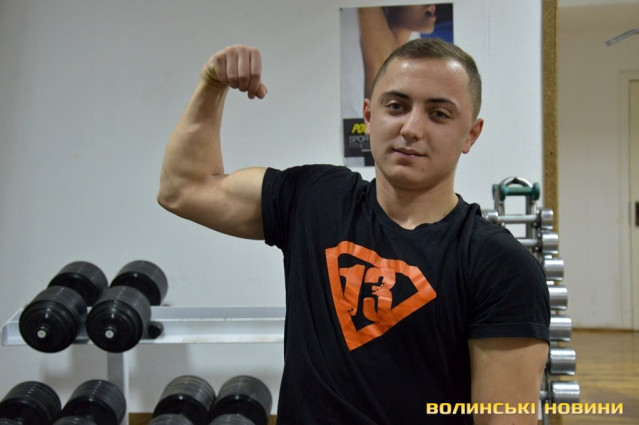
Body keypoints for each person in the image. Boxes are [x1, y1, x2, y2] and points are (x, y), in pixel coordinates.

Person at [157, 38, 550, 425]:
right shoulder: (314, 200)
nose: (411, 128)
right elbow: (184, 190)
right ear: (368, 115)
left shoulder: (499, 265)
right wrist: (211, 85)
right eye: (396, 106)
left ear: (471, 134)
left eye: (439, 114)